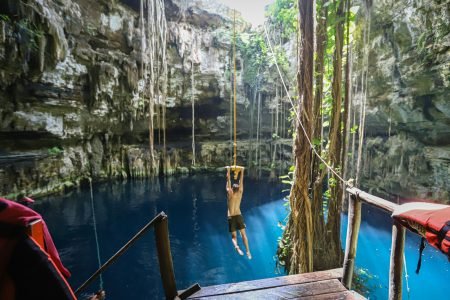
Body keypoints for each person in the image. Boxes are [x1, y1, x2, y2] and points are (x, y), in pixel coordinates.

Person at [226, 166, 251, 259]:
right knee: (244, 234)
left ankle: (237, 247)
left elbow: (228, 181)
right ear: (238, 189)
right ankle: (248, 251)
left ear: (232, 189)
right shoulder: (240, 193)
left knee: (234, 236)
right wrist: (242, 171)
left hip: (231, 216)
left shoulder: (230, 195)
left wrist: (228, 170)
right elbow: (241, 181)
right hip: (238, 214)